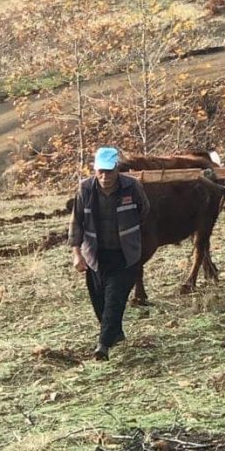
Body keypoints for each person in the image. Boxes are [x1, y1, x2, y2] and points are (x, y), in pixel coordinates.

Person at [68, 146, 150, 361]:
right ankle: (117, 334)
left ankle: (103, 345)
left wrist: (129, 233)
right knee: (100, 302)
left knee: (115, 299)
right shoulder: (85, 189)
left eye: (109, 171)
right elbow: (77, 222)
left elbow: (144, 210)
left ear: (117, 169)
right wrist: (77, 253)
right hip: (95, 254)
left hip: (124, 255)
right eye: (100, 172)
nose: (105, 177)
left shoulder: (132, 187)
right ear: (95, 170)